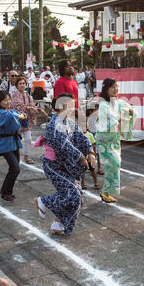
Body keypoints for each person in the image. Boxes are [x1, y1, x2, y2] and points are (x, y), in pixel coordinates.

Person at [33, 93, 95, 236]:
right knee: (73, 194)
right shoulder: (54, 123)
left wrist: (90, 151)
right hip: (53, 166)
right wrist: (80, 157)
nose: (73, 108)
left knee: (78, 197)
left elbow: (82, 137)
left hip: (68, 166)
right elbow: (64, 144)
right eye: (71, 105)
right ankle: (44, 201)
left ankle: (58, 223)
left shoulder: (70, 123)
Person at [95, 79, 136, 204]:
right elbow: (110, 120)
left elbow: (132, 112)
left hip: (114, 139)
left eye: (116, 86)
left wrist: (130, 112)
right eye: (112, 87)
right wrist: (121, 116)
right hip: (104, 140)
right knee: (112, 163)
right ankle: (105, 191)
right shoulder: (103, 105)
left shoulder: (120, 103)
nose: (115, 89)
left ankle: (106, 192)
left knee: (115, 164)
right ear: (106, 89)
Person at [0, 91, 27, 201]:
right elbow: (11, 117)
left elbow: (23, 122)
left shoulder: (11, 111)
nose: (8, 102)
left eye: (9, 99)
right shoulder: (0, 113)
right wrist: (20, 116)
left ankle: (8, 191)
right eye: (5, 100)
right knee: (15, 168)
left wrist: (25, 117)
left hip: (14, 141)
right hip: (5, 143)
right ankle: (4, 191)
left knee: (15, 169)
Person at [11, 76, 41, 165]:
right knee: (16, 140)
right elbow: (18, 106)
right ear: (16, 85)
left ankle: (26, 156)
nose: (22, 85)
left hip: (26, 120)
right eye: (20, 83)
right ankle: (14, 156)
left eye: (23, 83)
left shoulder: (28, 96)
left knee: (28, 139)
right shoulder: (14, 95)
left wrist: (35, 109)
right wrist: (31, 108)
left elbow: (32, 106)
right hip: (17, 120)